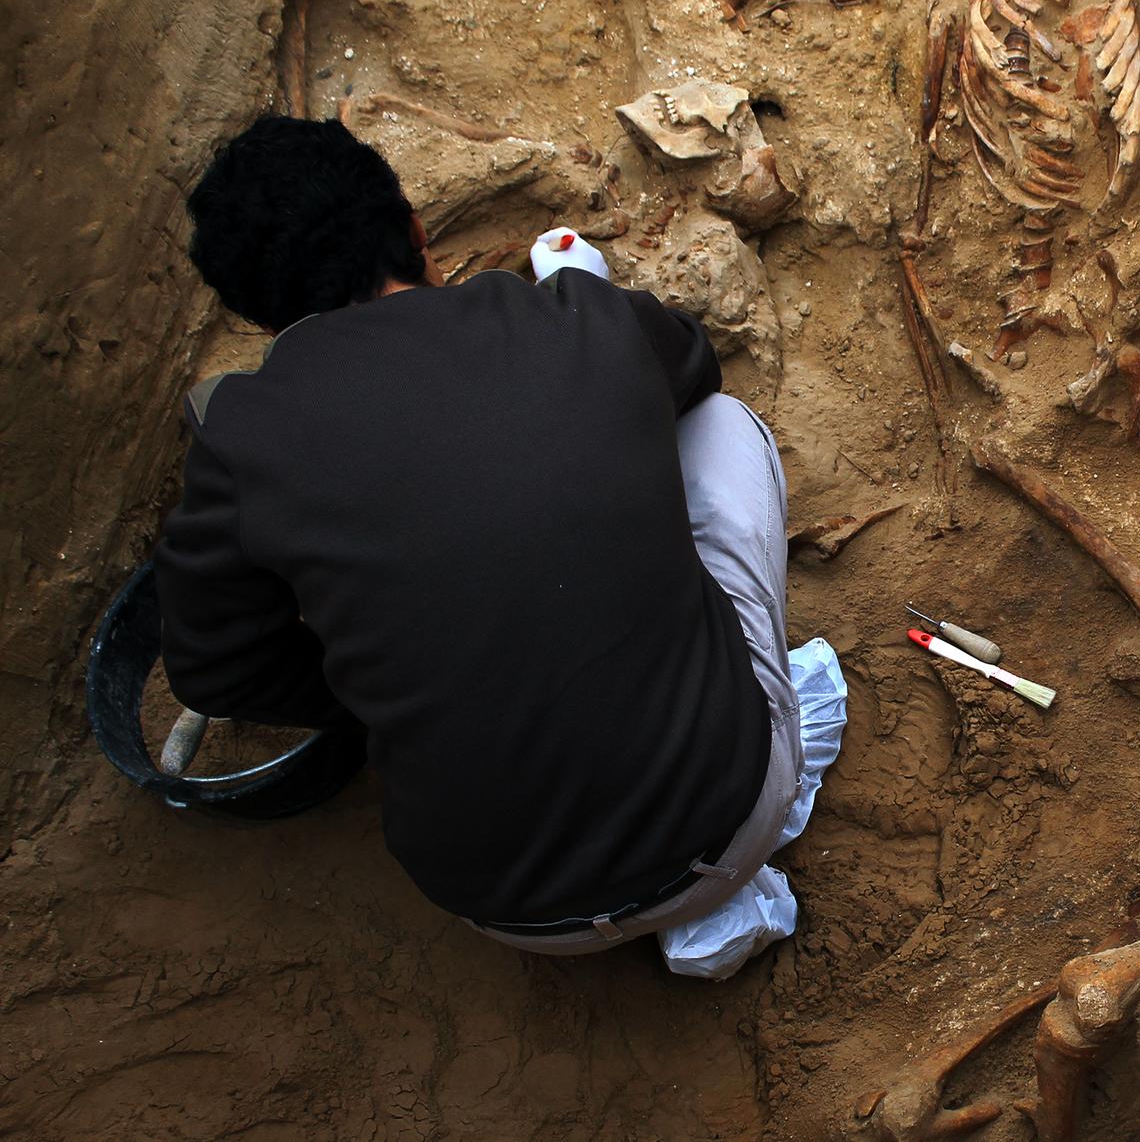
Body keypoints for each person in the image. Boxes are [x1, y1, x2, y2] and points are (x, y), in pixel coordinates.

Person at [156, 115, 836, 964]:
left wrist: (383, 686)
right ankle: (734, 859)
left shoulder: (240, 435)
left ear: (255, 312)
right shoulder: (563, 314)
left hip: (507, 912)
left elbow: (211, 666)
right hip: (727, 824)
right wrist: (588, 312)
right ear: (412, 230)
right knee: (724, 428)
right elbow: (692, 365)